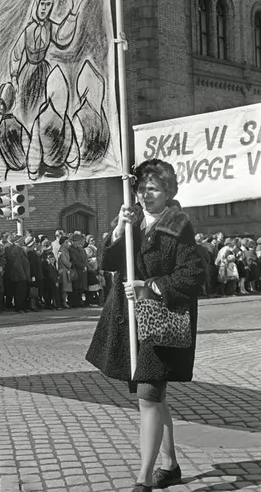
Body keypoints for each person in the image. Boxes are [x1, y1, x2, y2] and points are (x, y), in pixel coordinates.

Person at [86, 159, 204, 492]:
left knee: (148, 396)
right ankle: (170, 465)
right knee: (154, 396)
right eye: (141, 189)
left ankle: (143, 478)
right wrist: (119, 231)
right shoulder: (131, 219)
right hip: (130, 322)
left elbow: (193, 275)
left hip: (160, 321)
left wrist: (149, 286)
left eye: (152, 189)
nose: (145, 195)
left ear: (168, 191)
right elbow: (108, 262)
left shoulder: (179, 225)